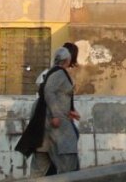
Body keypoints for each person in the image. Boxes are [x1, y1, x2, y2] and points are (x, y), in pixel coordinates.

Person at [44, 44, 81, 173]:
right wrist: (56, 115)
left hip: (60, 117)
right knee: (67, 154)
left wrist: (70, 110)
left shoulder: (56, 72)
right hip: (57, 120)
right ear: (67, 60)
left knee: (49, 163)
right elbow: (48, 91)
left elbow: (61, 95)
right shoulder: (59, 73)